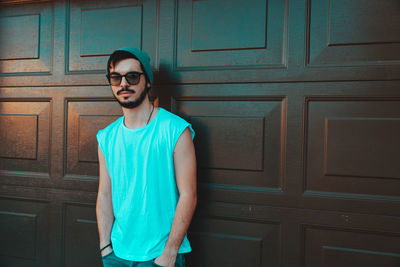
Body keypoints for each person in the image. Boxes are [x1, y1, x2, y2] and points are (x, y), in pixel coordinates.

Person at [96, 47, 197, 267]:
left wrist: (169, 253)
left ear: (147, 81)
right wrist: (105, 246)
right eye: (116, 77)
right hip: (117, 254)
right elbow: (104, 194)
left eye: (132, 76)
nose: (123, 84)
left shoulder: (175, 130)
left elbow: (188, 195)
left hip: (160, 257)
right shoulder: (106, 137)